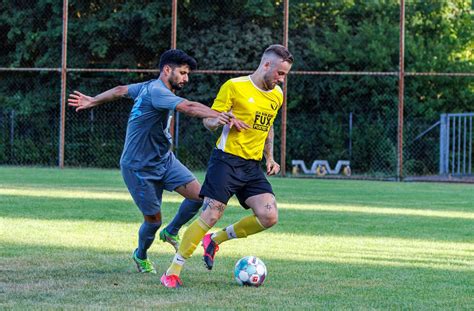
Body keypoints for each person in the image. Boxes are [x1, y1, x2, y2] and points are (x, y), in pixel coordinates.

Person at [68, 49, 247, 274]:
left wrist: (94, 100)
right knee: (153, 222)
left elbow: (120, 90)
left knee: (201, 197)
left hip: (165, 161)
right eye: (182, 73)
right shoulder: (156, 91)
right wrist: (216, 114)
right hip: (138, 167)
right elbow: (189, 107)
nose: (186, 78)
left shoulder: (146, 86)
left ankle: (171, 231)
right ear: (167, 70)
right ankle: (140, 254)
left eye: (187, 73)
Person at [160, 44, 293, 288]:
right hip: (226, 161)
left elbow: (269, 126)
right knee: (211, 214)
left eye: (285, 74)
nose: (282, 79)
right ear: (266, 65)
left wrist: (270, 158)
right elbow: (209, 121)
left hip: (252, 166)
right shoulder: (234, 86)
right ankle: (172, 271)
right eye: (280, 73)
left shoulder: (277, 95)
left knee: (269, 215)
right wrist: (221, 120)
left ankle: (215, 240)